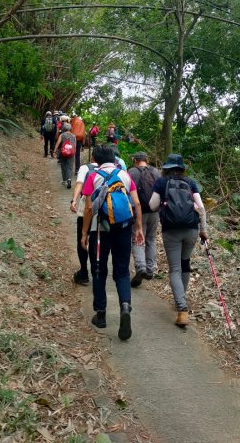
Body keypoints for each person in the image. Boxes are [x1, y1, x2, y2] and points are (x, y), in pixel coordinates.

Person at [81, 145, 144, 341]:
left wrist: (84, 233)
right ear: (113, 158)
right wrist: (139, 228)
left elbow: (89, 208)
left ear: (96, 159)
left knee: (99, 270)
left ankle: (101, 315)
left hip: (100, 231)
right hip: (124, 228)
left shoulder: (93, 176)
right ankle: (125, 306)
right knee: (122, 270)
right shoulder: (124, 175)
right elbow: (137, 203)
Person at [149, 153, 208, 327]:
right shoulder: (190, 183)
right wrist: (203, 231)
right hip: (191, 229)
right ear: (182, 168)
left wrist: (163, 206)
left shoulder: (161, 182)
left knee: (174, 269)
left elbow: (152, 205)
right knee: (185, 264)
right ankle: (181, 299)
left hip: (171, 230)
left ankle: (182, 309)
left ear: (166, 168)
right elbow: (202, 208)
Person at [128, 151, 160, 287]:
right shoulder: (156, 172)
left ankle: (141, 267)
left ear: (135, 160)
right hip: (155, 211)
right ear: (147, 160)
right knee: (151, 239)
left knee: (137, 239)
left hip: (138, 211)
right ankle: (150, 268)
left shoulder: (131, 172)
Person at [70, 155, 99, 285]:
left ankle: (83, 272)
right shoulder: (111, 170)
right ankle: (96, 272)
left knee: (82, 239)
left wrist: (74, 200)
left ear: (92, 157)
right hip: (102, 210)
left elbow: (79, 184)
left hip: (85, 208)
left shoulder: (85, 168)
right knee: (96, 240)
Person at [53, 123, 76, 189]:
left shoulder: (62, 135)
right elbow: (75, 146)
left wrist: (54, 151)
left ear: (64, 128)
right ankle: (69, 179)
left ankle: (64, 180)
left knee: (63, 166)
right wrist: (74, 153)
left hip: (63, 153)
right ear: (70, 128)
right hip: (71, 153)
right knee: (70, 167)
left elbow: (58, 143)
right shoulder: (73, 136)